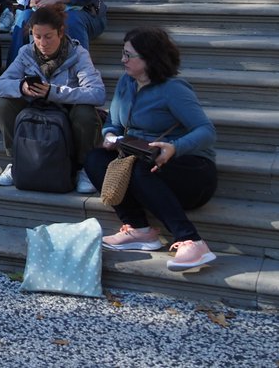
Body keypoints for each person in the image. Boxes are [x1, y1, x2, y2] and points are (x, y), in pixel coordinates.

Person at [84, 27, 218, 271]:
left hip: (192, 171)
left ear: (149, 58)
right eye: (123, 53)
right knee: (95, 159)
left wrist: (174, 148)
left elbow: (206, 131)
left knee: (140, 169)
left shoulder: (173, 89)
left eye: (128, 55)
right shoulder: (126, 82)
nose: (122, 60)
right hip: (141, 159)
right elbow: (113, 123)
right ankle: (139, 229)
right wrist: (110, 136)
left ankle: (191, 241)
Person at [0, 3, 106, 194]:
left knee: (85, 113)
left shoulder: (78, 54)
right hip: (36, 107)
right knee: (5, 104)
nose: (42, 43)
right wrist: (21, 86)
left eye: (48, 36)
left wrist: (53, 92)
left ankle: (84, 168)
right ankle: (16, 160)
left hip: (67, 109)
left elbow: (97, 93)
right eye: (37, 37)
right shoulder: (26, 52)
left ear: (60, 33)